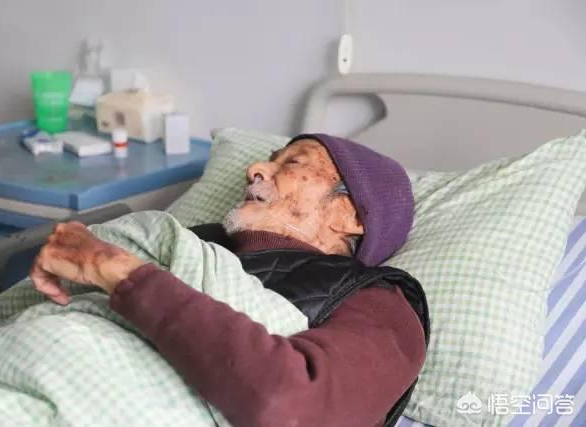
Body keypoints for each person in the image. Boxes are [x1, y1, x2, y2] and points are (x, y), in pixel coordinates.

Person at [30, 134, 429, 427]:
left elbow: (293, 406)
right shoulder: (186, 242)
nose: (254, 170)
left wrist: (119, 272)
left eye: (292, 163)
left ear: (349, 214)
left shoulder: (378, 303)